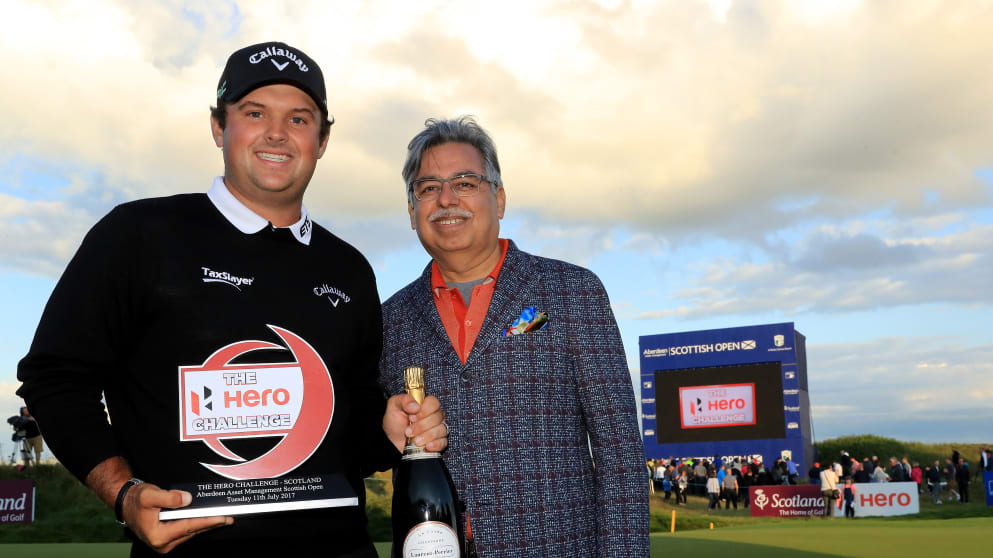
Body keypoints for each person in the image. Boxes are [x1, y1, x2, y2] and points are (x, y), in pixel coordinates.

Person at [16, 42, 447, 557]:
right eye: (254, 113)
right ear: (219, 127)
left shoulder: (348, 268)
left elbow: (350, 429)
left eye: (299, 118)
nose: (277, 133)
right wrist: (124, 494)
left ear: (323, 140)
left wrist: (389, 430)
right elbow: (55, 378)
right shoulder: (137, 236)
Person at [378, 116, 648, 557]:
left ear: (499, 199)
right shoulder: (390, 319)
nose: (446, 199)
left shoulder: (572, 292)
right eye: (427, 188)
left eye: (465, 183)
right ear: (412, 212)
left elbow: (620, 456)